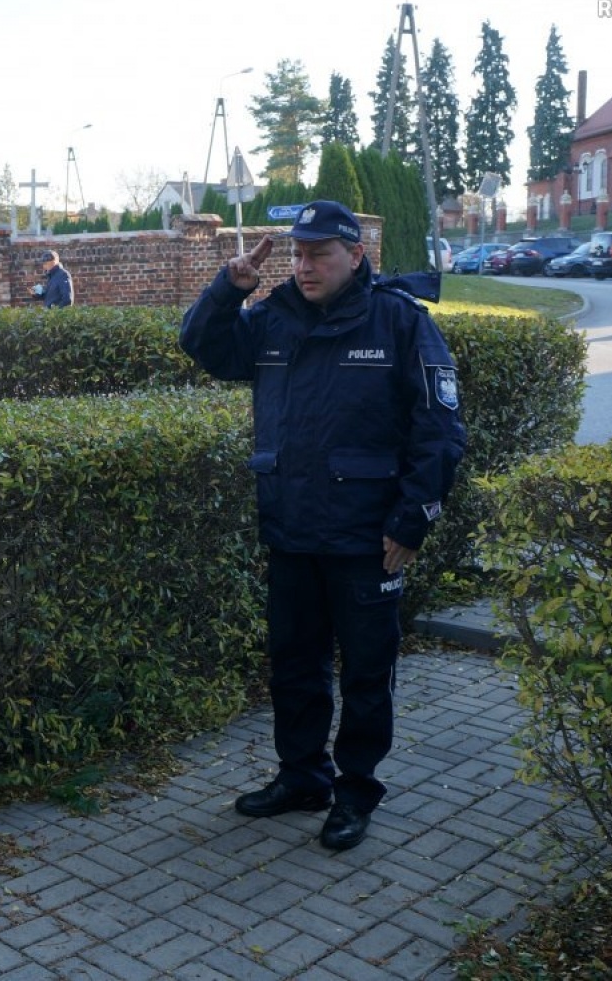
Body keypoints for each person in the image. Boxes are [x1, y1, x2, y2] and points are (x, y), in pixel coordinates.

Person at [177, 200, 466, 851]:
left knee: (367, 671)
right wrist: (229, 288)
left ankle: (355, 791)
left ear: (355, 254)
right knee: (294, 667)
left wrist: (411, 521)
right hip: (292, 531)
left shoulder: (398, 322)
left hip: (368, 540)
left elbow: (440, 431)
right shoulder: (273, 318)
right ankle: (303, 776)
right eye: (298, 254)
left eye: (319, 254)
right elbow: (202, 345)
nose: (304, 266)